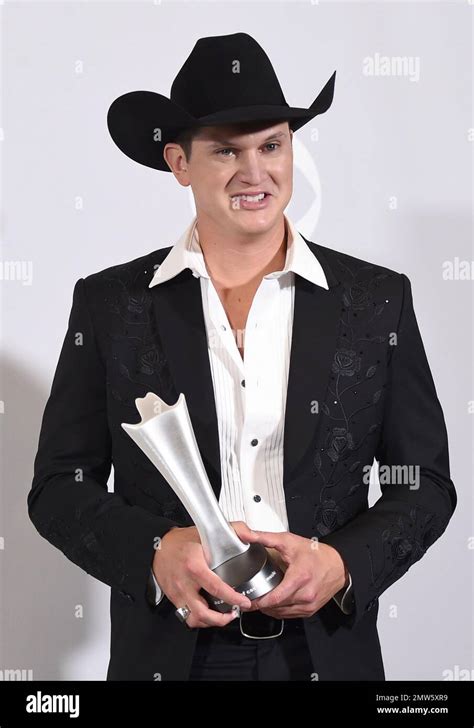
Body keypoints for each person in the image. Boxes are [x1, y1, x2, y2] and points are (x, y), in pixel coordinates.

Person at [28, 32, 456, 681]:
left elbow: (423, 484)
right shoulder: (110, 305)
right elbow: (60, 487)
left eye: (271, 145)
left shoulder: (376, 301)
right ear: (179, 162)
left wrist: (341, 563)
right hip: (169, 658)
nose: (256, 172)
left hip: (327, 654)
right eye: (226, 150)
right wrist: (155, 552)